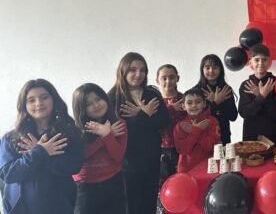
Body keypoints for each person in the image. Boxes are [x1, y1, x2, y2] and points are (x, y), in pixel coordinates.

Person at [0, 79, 84, 214]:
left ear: (53, 99)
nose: (39, 103)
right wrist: (39, 152)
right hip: (20, 210)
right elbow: (8, 174)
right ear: (24, 105)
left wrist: (44, 155)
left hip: (59, 208)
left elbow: (73, 167)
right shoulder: (11, 138)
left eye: (44, 97)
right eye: (31, 100)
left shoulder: (69, 133)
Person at [107, 52, 169, 214]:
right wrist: (144, 115)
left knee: (149, 201)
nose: (138, 74)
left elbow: (164, 121)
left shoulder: (152, 94)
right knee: (131, 204)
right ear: (123, 70)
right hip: (127, 161)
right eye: (133, 70)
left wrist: (140, 115)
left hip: (151, 157)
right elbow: (118, 129)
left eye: (142, 70)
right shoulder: (113, 97)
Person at [72, 83, 128, 214]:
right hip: (85, 186)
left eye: (98, 99)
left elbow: (118, 156)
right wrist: (104, 137)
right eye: (88, 104)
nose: (96, 105)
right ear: (81, 108)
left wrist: (107, 135)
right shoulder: (75, 129)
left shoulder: (119, 124)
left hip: (113, 181)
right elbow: (80, 156)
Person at [238, 44, 276, 145]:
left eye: (264, 60)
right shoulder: (246, 85)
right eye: (257, 60)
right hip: (251, 136)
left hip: (272, 134)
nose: (260, 63)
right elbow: (244, 113)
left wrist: (261, 96)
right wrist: (261, 97)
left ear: (269, 62)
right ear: (250, 62)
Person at [173, 88, 221, 173]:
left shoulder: (212, 121)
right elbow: (183, 150)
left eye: (198, 102)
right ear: (183, 106)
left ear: (204, 104)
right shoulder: (180, 126)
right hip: (187, 170)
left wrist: (195, 131)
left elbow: (212, 147)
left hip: (209, 167)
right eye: (189, 103)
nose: (194, 105)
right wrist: (196, 130)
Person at [195, 54, 238, 144]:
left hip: (223, 135)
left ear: (220, 70)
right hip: (204, 137)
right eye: (207, 68)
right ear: (202, 70)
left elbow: (233, 116)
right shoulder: (196, 91)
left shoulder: (226, 89)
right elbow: (197, 117)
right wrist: (215, 102)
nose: (211, 71)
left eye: (215, 67)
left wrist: (220, 103)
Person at [155, 64, 185, 190]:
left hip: (182, 148)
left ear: (178, 78)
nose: (168, 81)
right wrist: (170, 109)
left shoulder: (185, 99)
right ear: (157, 81)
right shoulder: (154, 102)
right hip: (160, 148)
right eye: (164, 78)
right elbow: (152, 123)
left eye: (172, 77)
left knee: (181, 181)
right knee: (163, 183)